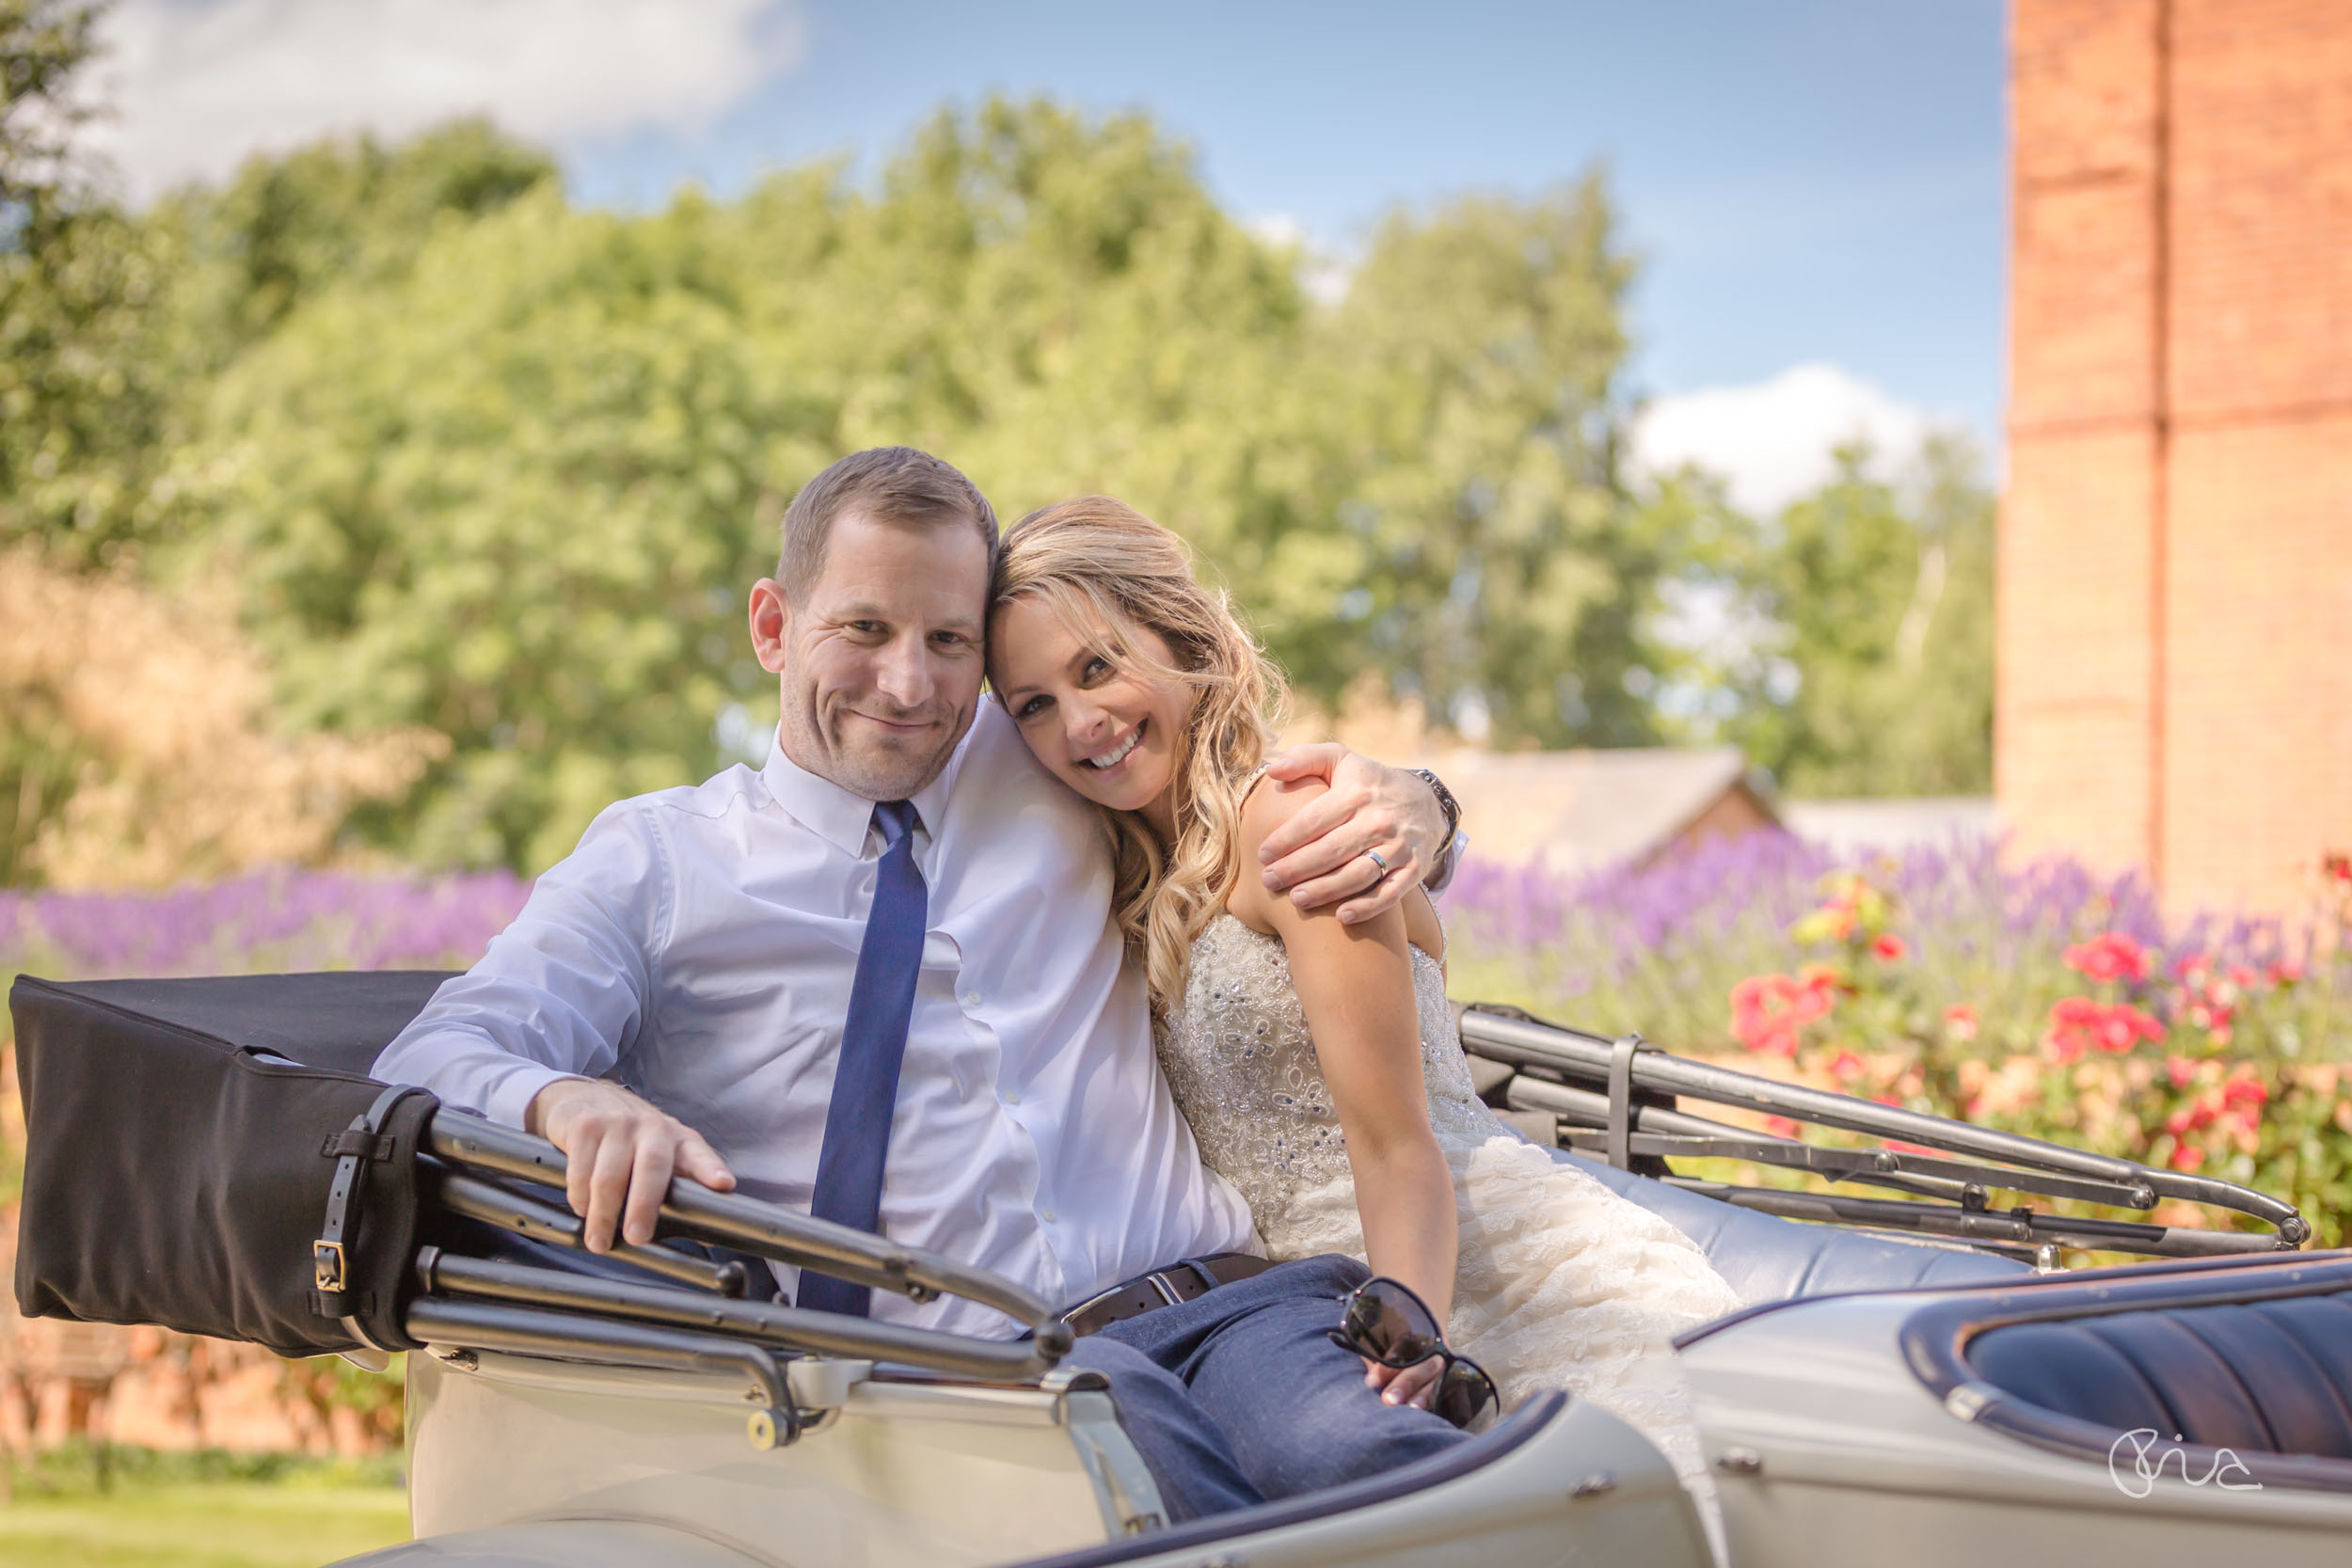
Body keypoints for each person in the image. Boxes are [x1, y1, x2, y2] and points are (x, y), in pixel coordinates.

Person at [373, 446, 1473, 1522]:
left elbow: (1223, 781)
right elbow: (430, 1054)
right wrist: (563, 1097)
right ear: (772, 625)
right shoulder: (659, 862)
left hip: (1230, 1299)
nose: (908, 684)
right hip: (979, 1377)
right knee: (1154, 1486)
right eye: (863, 627)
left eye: (948, 640)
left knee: (1386, 1466)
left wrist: (1421, 804)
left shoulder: (1042, 746)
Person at [986, 495, 1745, 1560]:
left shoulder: (1296, 826)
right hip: (1289, 1327)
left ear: (1185, 643)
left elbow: (1398, 1144)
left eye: (1098, 667)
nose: (1080, 723)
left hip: (1471, 1274)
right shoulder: (1116, 876)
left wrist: (1409, 1327)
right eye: (1030, 703)